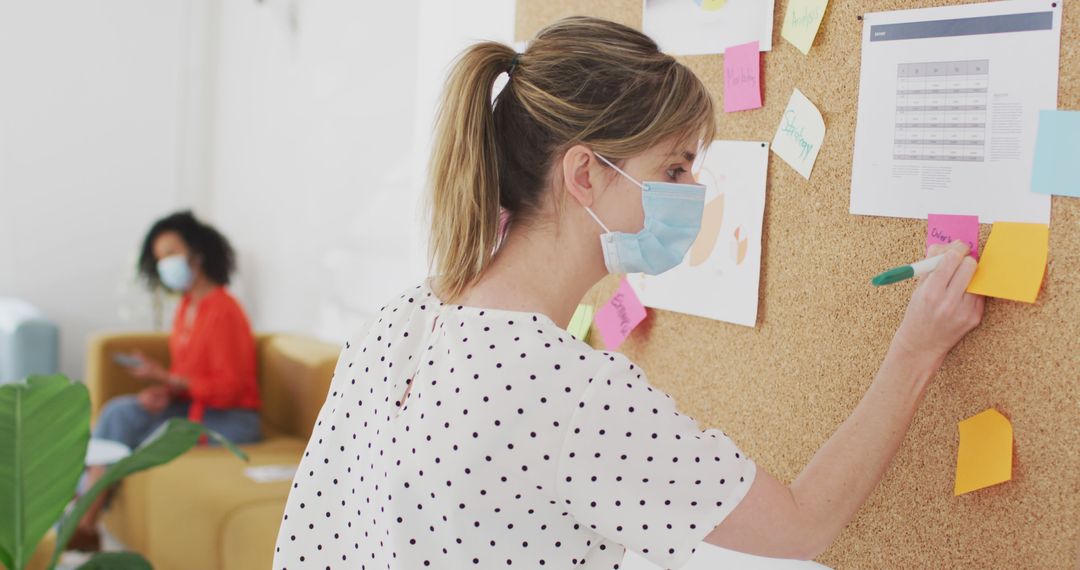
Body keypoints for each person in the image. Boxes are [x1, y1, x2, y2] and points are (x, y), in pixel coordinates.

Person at [272, 17, 984, 569]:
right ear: (585, 174)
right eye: (676, 167)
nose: (697, 192)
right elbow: (802, 524)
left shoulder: (407, 318)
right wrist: (917, 347)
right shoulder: (558, 382)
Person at [71, 211, 263, 551]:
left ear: (197, 254)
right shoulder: (188, 307)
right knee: (120, 413)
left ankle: (83, 521)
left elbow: (229, 388)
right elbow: (189, 376)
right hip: (192, 406)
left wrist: (167, 377)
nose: (166, 265)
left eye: (172, 253)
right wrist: (165, 390)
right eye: (160, 259)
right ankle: (83, 509)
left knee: (148, 437)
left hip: (231, 419)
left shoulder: (224, 310)